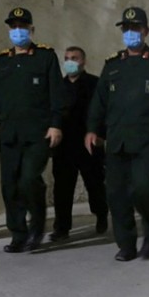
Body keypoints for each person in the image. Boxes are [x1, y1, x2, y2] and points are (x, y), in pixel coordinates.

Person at [86, 6, 149, 262]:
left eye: (135, 28)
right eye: (126, 29)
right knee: (116, 194)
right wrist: (92, 129)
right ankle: (126, 244)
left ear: (146, 31)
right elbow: (100, 101)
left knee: (143, 189)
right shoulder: (113, 64)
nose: (130, 33)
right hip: (117, 139)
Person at [0, 7, 65, 253]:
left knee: (30, 178)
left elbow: (56, 94)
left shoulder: (45, 57)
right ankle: (18, 234)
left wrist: (56, 124)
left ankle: (37, 227)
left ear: (32, 29)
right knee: (10, 185)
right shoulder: (2, 61)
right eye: (13, 26)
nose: (18, 30)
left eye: (22, 26)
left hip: (38, 133)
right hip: (9, 133)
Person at [49, 46, 108, 242]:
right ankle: (62, 227)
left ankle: (101, 214)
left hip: (89, 144)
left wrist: (101, 136)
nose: (70, 61)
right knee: (62, 188)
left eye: (74, 58)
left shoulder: (94, 84)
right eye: (66, 58)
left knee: (95, 184)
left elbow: (103, 112)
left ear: (83, 61)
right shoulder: (57, 86)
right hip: (64, 145)